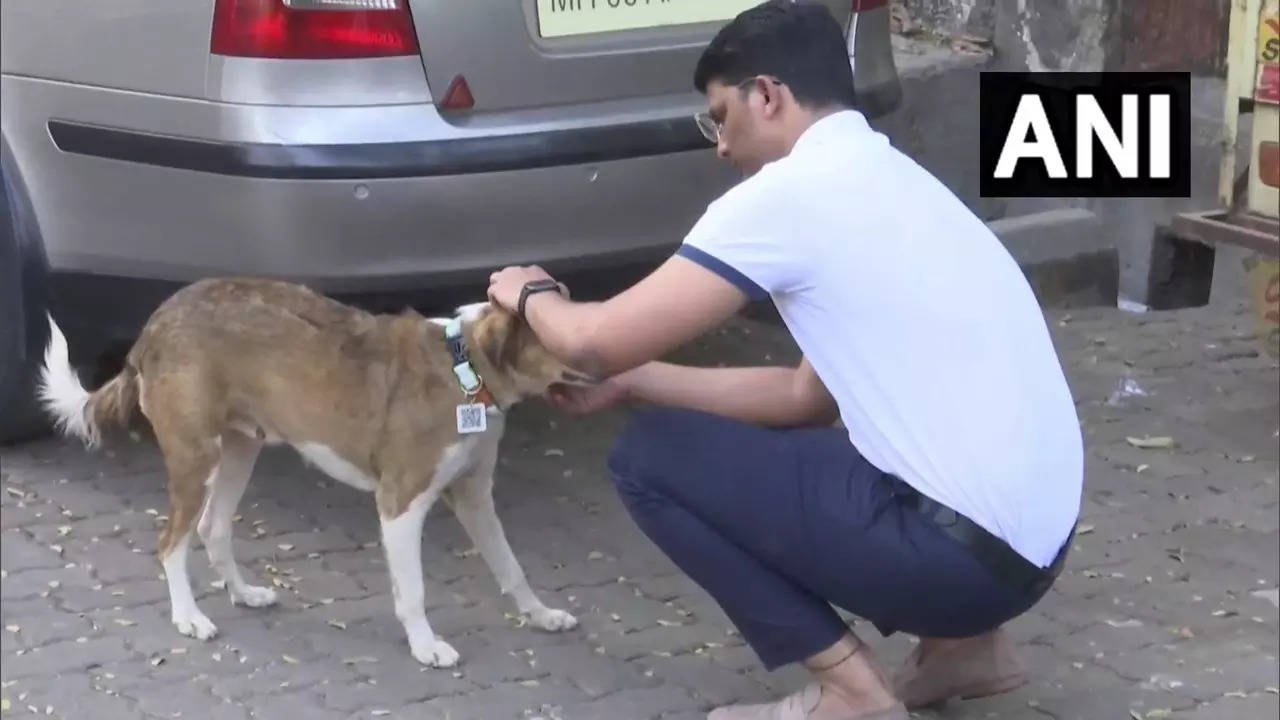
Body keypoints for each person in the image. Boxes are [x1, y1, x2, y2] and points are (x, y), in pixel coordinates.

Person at [487, 2, 1083, 718]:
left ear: (766, 95)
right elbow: (802, 397)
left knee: (649, 459)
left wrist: (530, 294)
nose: (719, 145)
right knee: (836, 446)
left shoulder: (786, 196)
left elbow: (591, 339)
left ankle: (851, 691)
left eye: (719, 115)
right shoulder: (898, 182)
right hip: (1029, 555)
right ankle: (968, 649)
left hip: (958, 555)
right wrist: (634, 383)